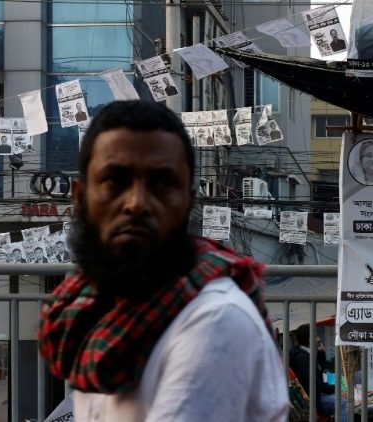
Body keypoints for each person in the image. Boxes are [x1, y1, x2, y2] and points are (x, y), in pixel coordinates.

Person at [37, 100, 288, 421]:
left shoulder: (215, 322)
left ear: (188, 201)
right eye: (115, 180)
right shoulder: (100, 311)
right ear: (79, 197)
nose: (137, 203)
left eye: (162, 183)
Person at [289, 324, 344, 422]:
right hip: (312, 400)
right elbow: (314, 384)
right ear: (309, 339)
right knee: (343, 403)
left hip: (316, 395)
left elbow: (319, 371)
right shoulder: (301, 357)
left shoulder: (306, 354)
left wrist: (321, 352)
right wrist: (336, 388)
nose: (319, 339)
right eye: (316, 335)